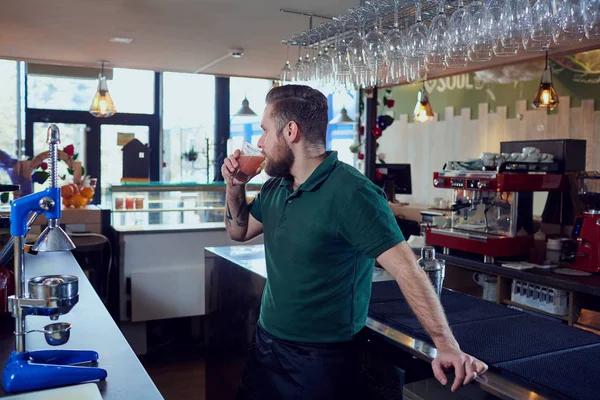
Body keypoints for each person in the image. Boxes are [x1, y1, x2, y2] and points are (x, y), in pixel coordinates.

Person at [221, 84, 488, 400]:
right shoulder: (277, 187)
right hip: (267, 342)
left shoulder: (353, 194)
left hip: (321, 358)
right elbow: (238, 232)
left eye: (265, 131)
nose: (261, 143)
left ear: (290, 131)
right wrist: (235, 186)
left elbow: (407, 269)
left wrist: (445, 345)